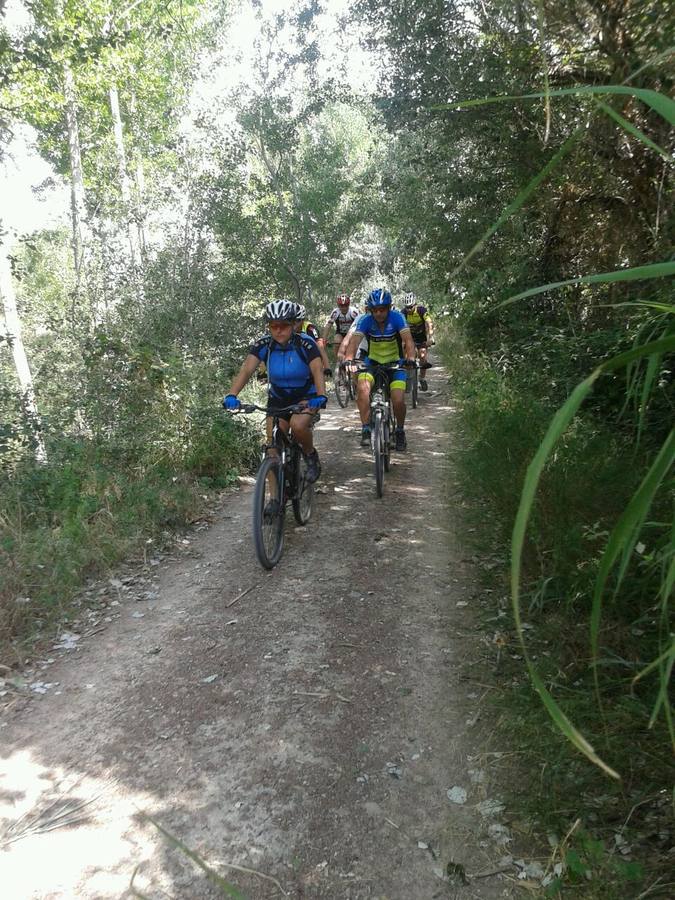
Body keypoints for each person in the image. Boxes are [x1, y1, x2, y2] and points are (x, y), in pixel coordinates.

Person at [223, 299, 327, 483]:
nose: (278, 330)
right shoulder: (264, 344)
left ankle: (311, 456)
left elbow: (317, 369)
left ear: (294, 324)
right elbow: (247, 369)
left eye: (284, 326)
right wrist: (232, 395)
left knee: (297, 425)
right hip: (278, 397)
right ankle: (273, 501)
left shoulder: (306, 343)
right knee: (272, 449)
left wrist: (320, 395)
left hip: (306, 395)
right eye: (273, 326)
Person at [342, 288, 416, 451]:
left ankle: (400, 431)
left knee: (397, 399)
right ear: (370, 310)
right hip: (372, 363)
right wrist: (348, 360)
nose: (378, 313)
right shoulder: (366, 321)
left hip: (395, 364)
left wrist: (410, 358)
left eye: (382, 309)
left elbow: (408, 341)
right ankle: (366, 428)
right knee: (362, 390)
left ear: (389, 308)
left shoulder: (397, 318)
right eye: (375, 310)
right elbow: (354, 343)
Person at [401, 292, 434, 391]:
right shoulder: (403, 313)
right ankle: (408, 378)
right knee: (407, 358)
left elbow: (429, 323)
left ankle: (422, 379)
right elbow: (400, 327)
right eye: (407, 307)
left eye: (410, 307)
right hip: (409, 338)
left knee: (423, 357)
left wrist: (431, 337)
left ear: (414, 305)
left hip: (421, 338)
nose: (409, 309)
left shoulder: (421, 310)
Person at [322, 293, 360, 362]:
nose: (344, 308)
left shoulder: (353, 312)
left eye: (346, 305)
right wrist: (324, 340)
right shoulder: (336, 312)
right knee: (337, 342)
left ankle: (353, 360)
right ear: (338, 305)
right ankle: (339, 362)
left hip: (352, 333)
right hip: (340, 332)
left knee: (353, 346)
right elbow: (328, 326)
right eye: (341, 306)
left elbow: (360, 325)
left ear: (349, 304)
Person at [295, 304, 331, 374]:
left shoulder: (310, 328)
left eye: (298, 320)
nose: (295, 323)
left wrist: (327, 367)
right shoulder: (287, 328)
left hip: (310, 357)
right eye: (292, 320)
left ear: (303, 320)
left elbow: (320, 347)